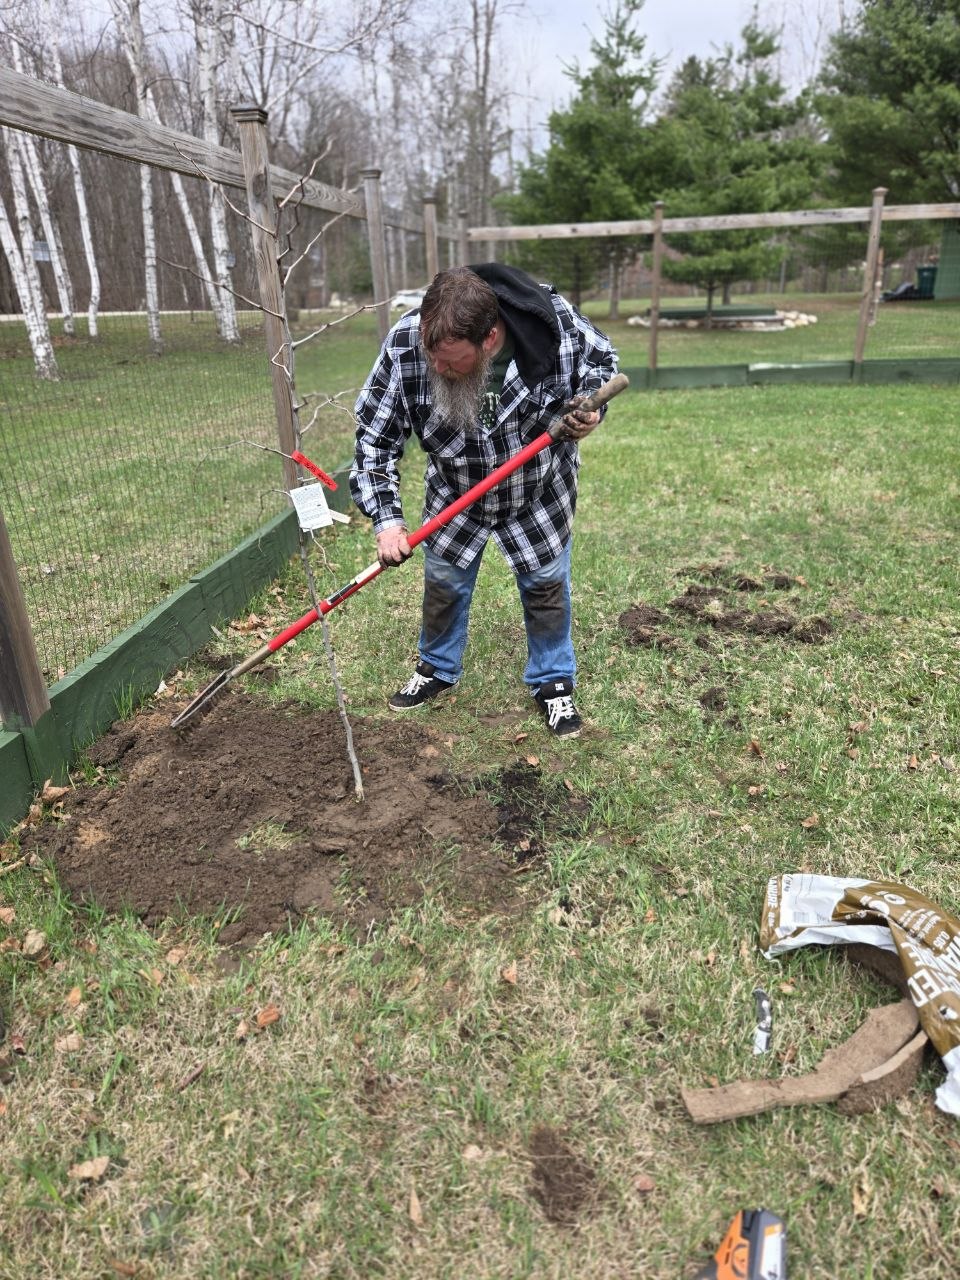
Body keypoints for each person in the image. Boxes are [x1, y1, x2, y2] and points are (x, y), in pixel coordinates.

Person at [351, 263, 618, 738]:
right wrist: (387, 520)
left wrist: (590, 408)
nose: (438, 367)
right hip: (457, 488)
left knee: (546, 585)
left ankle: (553, 681)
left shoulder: (553, 323)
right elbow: (375, 438)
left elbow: (602, 366)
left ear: (490, 339)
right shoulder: (408, 343)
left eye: (452, 361)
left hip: (537, 487)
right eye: (432, 355)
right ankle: (436, 668)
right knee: (444, 582)